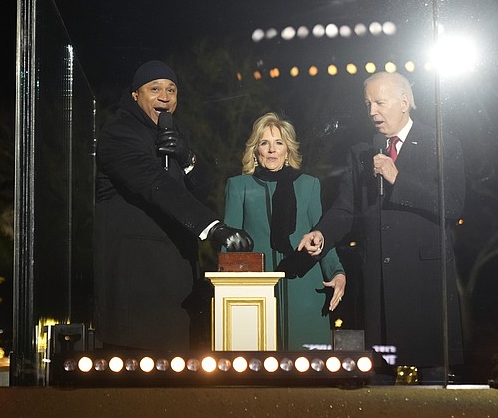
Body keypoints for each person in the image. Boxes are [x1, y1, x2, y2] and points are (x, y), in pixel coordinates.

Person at [298, 71, 466, 381]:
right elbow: (346, 208)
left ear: (404, 102)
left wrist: (397, 178)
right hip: (379, 283)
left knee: (431, 380)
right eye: (367, 104)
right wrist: (322, 232)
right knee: (379, 377)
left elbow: (453, 205)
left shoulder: (440, 142)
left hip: (423, 284)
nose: (372, 112)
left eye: (379, 102)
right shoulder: (363, 150)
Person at [92, 60, 254, 351]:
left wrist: (187, 158)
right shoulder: (118, 133)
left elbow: (199, 190)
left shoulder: (177, 133)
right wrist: (213, 228)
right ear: (135, 96)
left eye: (171, 89)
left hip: (177, 281)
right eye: (154, 89)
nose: (164, 96)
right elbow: (156, 185)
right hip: (137, 282)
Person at [223, 112, 346, 350]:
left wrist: (338, 272)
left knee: (308, 368)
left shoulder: (309, 185)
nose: (272, 149)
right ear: (255, 150)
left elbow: (322, 235)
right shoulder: (239, 186)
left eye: (278, 143)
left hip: (305, 289)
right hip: (254, 293)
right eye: (264, 143)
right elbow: (228, 247)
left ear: (288, 150)